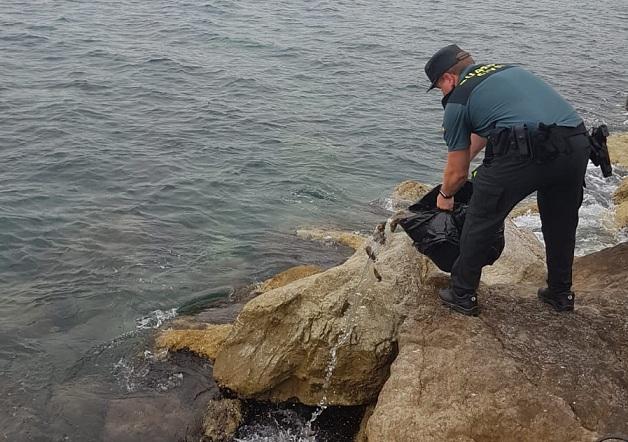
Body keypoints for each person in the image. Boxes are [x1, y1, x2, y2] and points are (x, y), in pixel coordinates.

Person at [424, 44, 592, 316]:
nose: (442, 93)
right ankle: (560, 293)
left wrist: (445, 196)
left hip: (523, 153)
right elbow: (489, 129)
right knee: (560, 222)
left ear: (448, 78)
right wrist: (466, 159)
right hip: (575, 143)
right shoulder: (509, 71)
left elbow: (457, 174)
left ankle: (461, 293)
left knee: (481, 217)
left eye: (439, 87)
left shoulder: (458, 100)